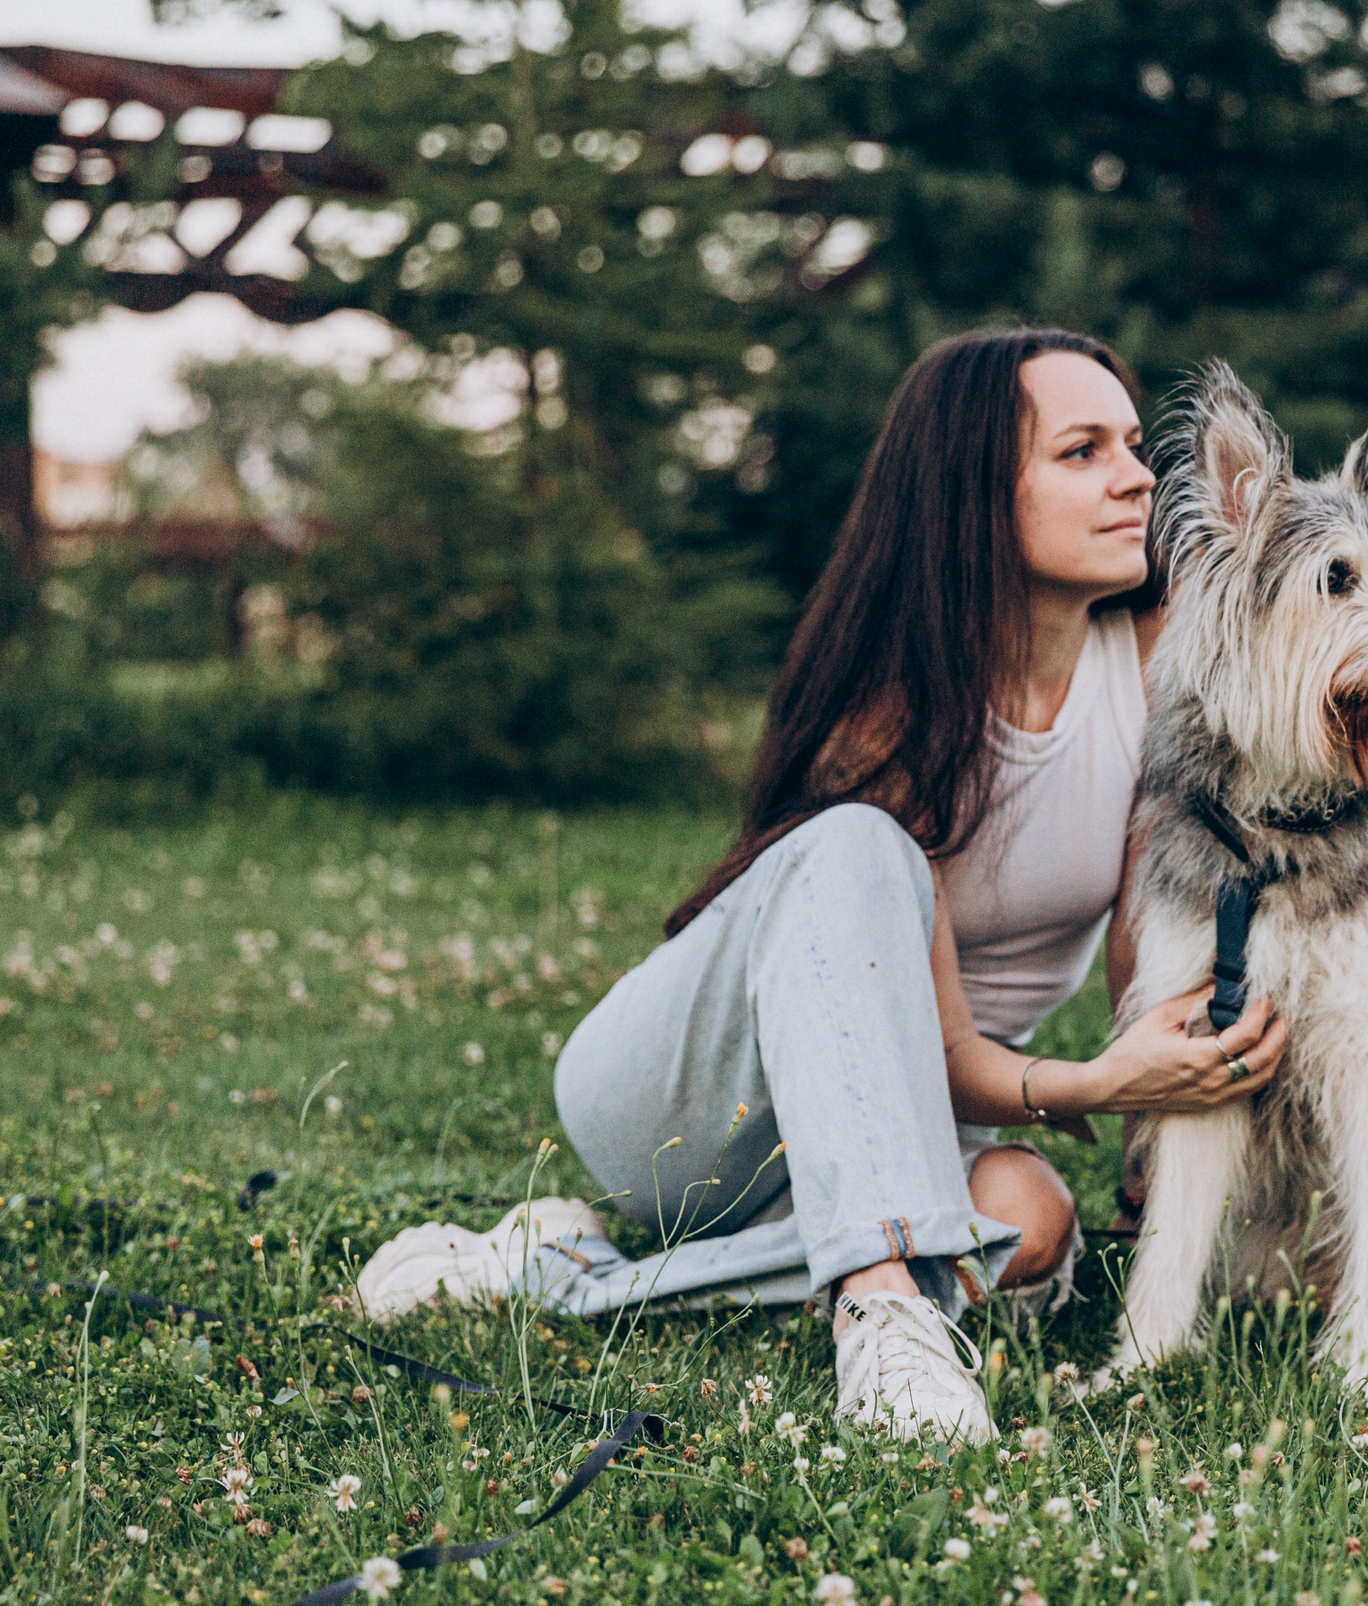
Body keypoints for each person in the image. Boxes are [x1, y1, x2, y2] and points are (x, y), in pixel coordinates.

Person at [548, 328, 1289, 1442]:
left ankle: (555, 1269)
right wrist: (1095, 1084)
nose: (1138, 477)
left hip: (911, 1121)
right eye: (1081, 452)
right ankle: (886, 1312)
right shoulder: (888, 718)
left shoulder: (1153, 659)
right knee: (855, 846)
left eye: (1134, 445)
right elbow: (934, 1048)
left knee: (1027, 1227)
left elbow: (1149, 940)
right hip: (690, 1107)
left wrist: (1148, 1162)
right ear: (976, 494)